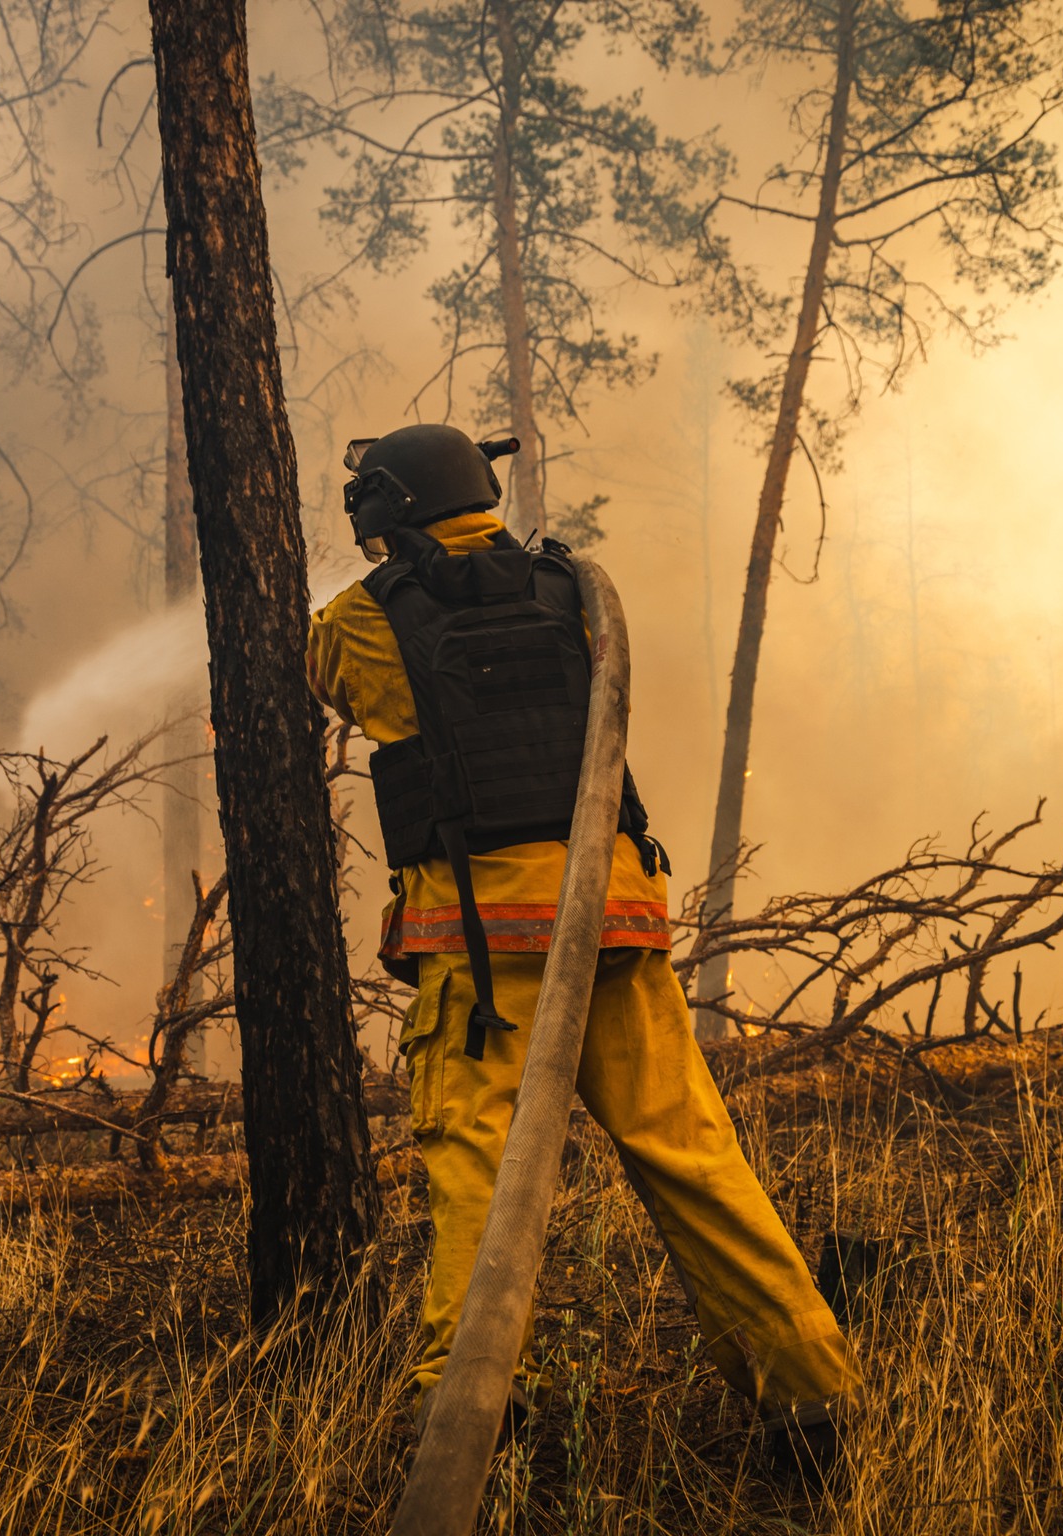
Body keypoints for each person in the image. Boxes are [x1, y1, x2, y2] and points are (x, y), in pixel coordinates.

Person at [305, 422, 859, 1470]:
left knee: (476, 1172)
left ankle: (467, 1419)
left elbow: (328, 676)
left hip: (485, 952)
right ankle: (812, 1394)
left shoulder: (359, 620)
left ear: (383, 507)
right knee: (691, 1154)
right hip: (613, 919)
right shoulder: (576, 590)